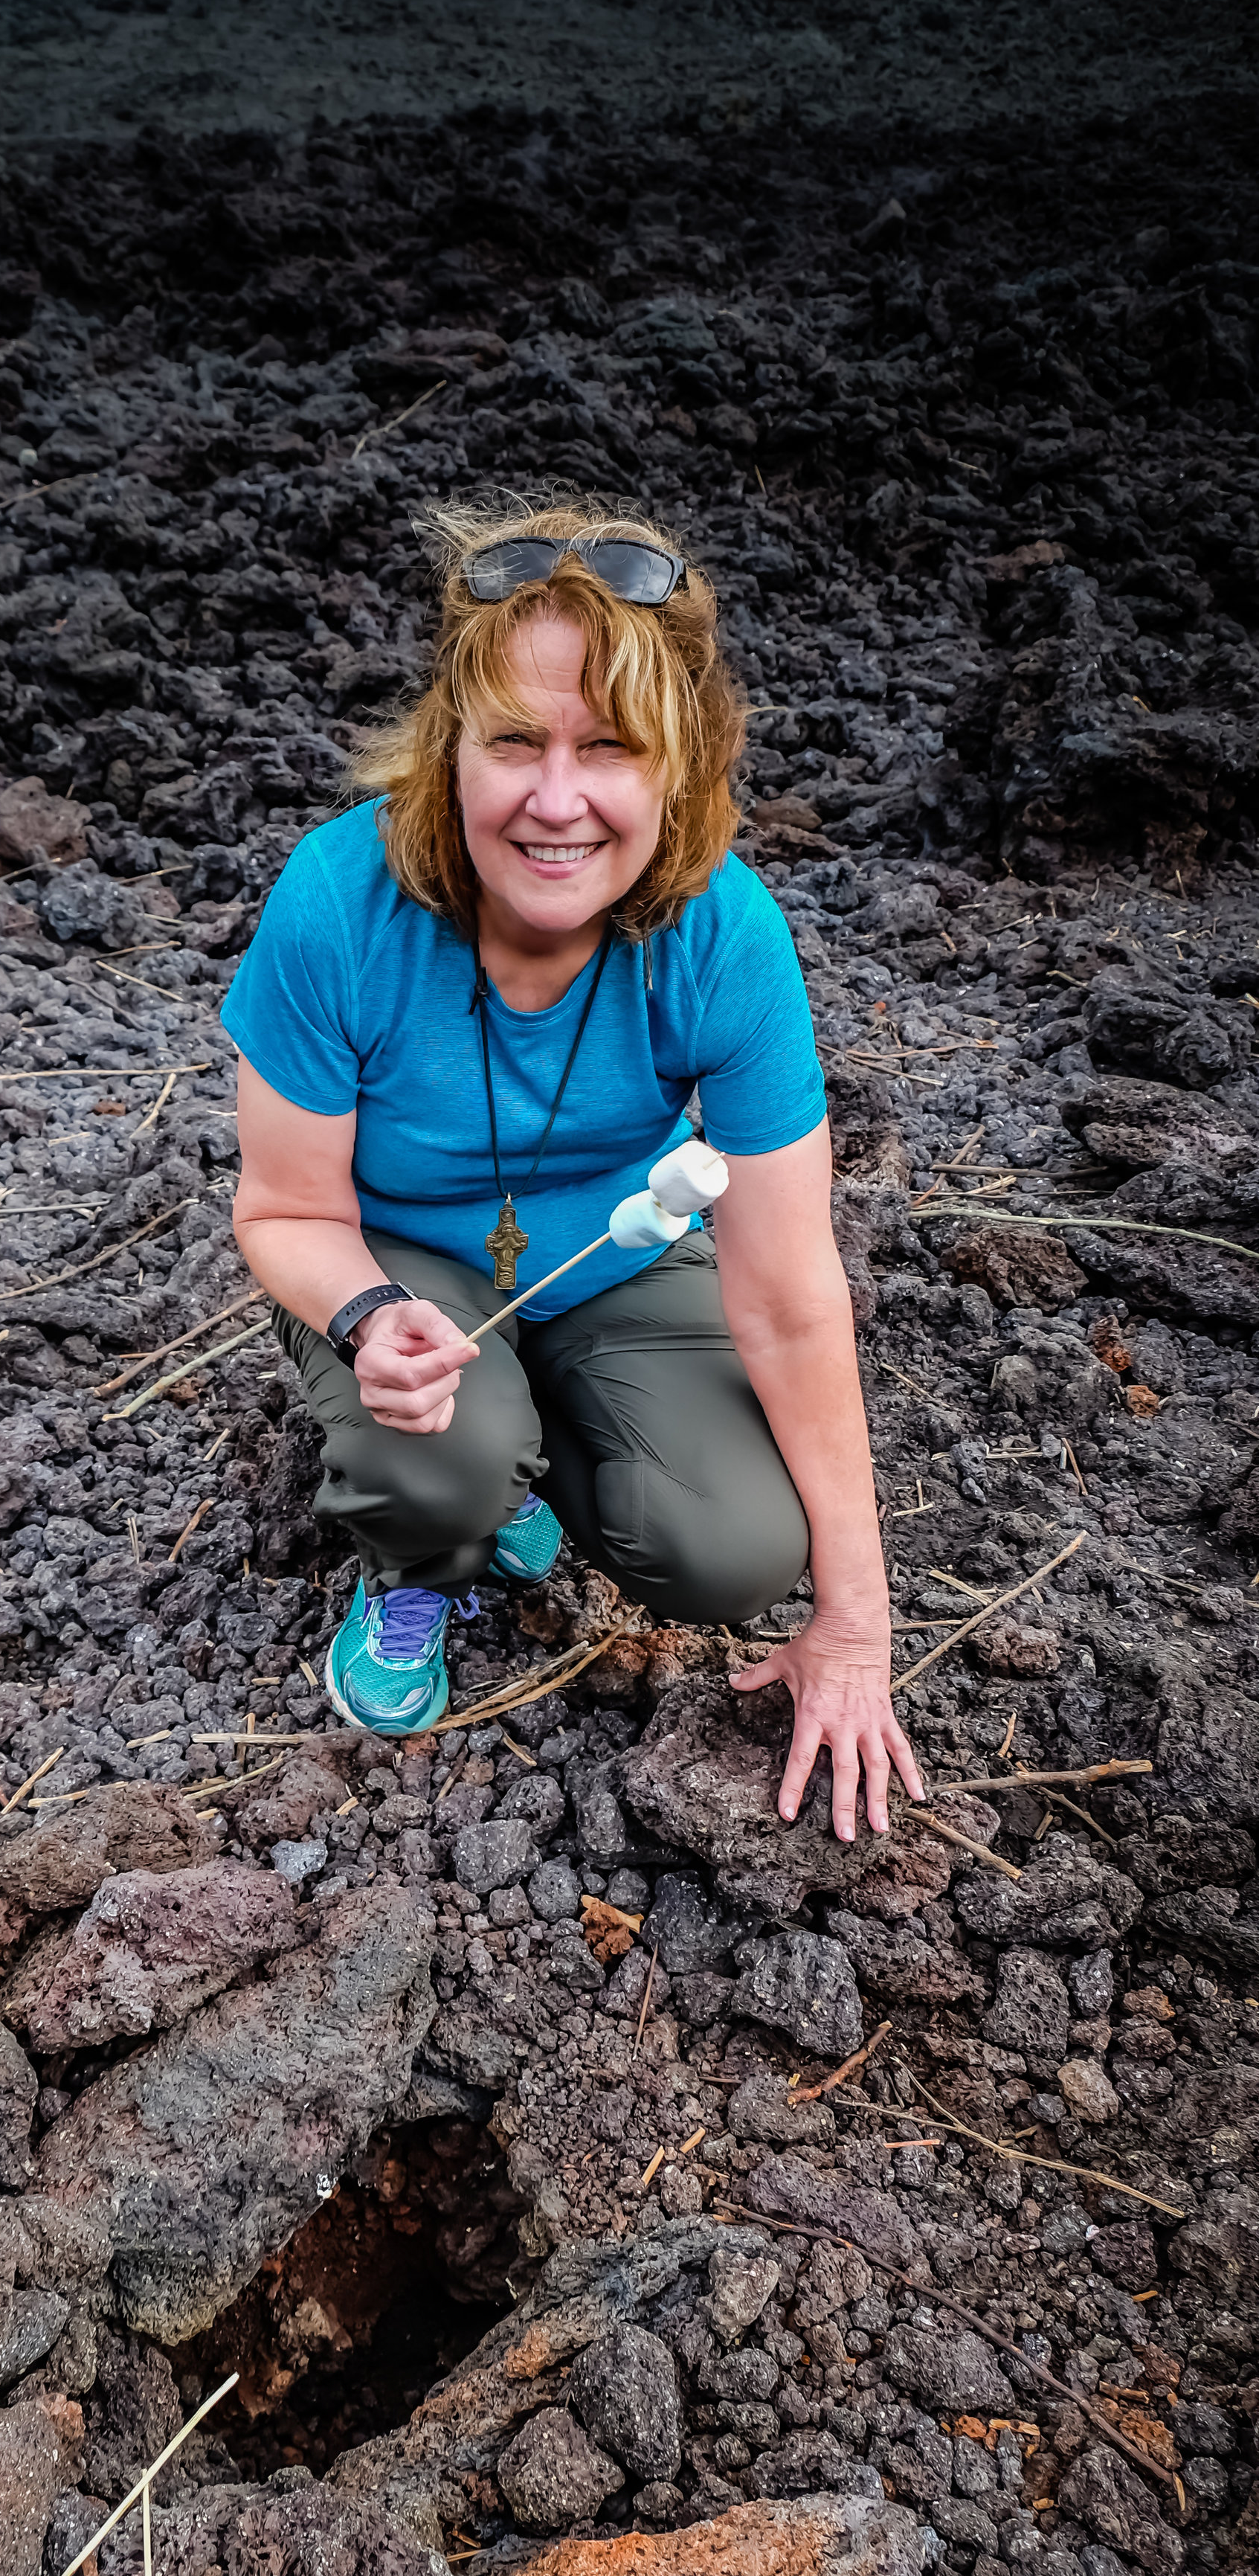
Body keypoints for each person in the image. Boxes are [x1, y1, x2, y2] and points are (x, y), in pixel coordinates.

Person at [220, 499, 924, 1846]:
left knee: (732, 1547)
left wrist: (854, 1619)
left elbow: (786, 1293)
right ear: (450, 750)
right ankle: (427, 1554)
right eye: (513, 744)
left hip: (619, 1246)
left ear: (681, 763)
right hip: (397, 1257)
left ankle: (526, 1476)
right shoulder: (336, 902)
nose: (557, 800)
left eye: (609, 748)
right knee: (443, 1461)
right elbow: (287, 1206)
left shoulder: (726, 933)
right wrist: (367, 1320)